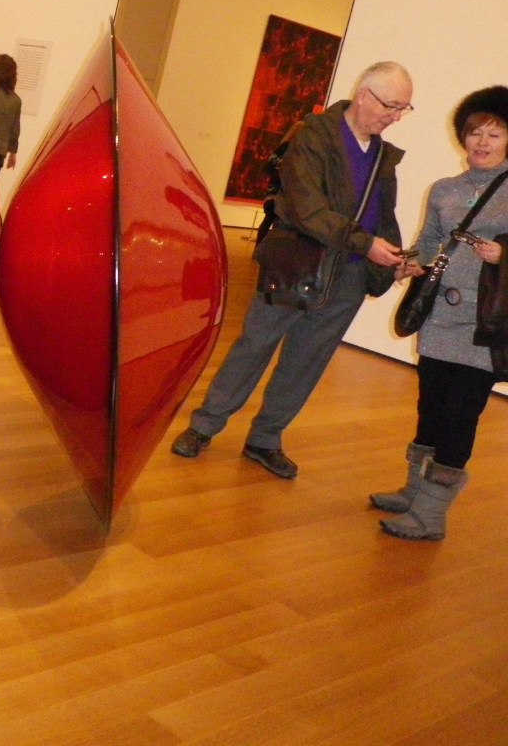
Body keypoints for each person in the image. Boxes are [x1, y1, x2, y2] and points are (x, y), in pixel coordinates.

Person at [170, 61, 414, 478]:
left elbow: (382, 215)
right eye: (390, 106)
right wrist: (365, 244)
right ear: (364, 95)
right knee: (255, 345)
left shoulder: (382, 156)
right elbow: (307, 209)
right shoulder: (313, 136)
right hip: (296, 263)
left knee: (307, 361)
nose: (395, 117)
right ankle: (204, 426)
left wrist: (394, 258)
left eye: (403, 108)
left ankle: (265, 439)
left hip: (349, 275)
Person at [372, 86, 508, 540]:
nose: (482, 142)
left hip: (483, 324)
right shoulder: (445, 189)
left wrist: (503, 254)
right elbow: (430, 241)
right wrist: (412, 262)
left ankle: (430, 516)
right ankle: (414, 492)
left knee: (459, 416)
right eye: (474, 132)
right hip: (438, 318)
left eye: (494, 134)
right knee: (430, 406)